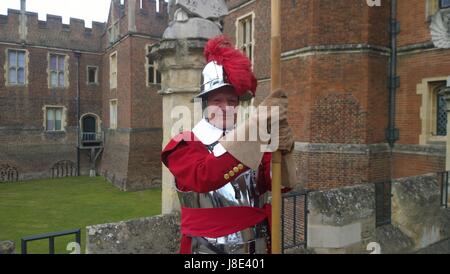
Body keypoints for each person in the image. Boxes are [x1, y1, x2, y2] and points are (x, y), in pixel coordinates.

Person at [161, 36, 295, 254]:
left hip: (258, 245)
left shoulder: (254, 139)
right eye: (217, 101)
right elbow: (204, 177)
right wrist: (255, 127)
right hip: (207, 250)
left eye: (231, 101)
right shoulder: (184, 144)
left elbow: (275, 184)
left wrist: (283, 150)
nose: (225, 107)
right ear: (205, 103)